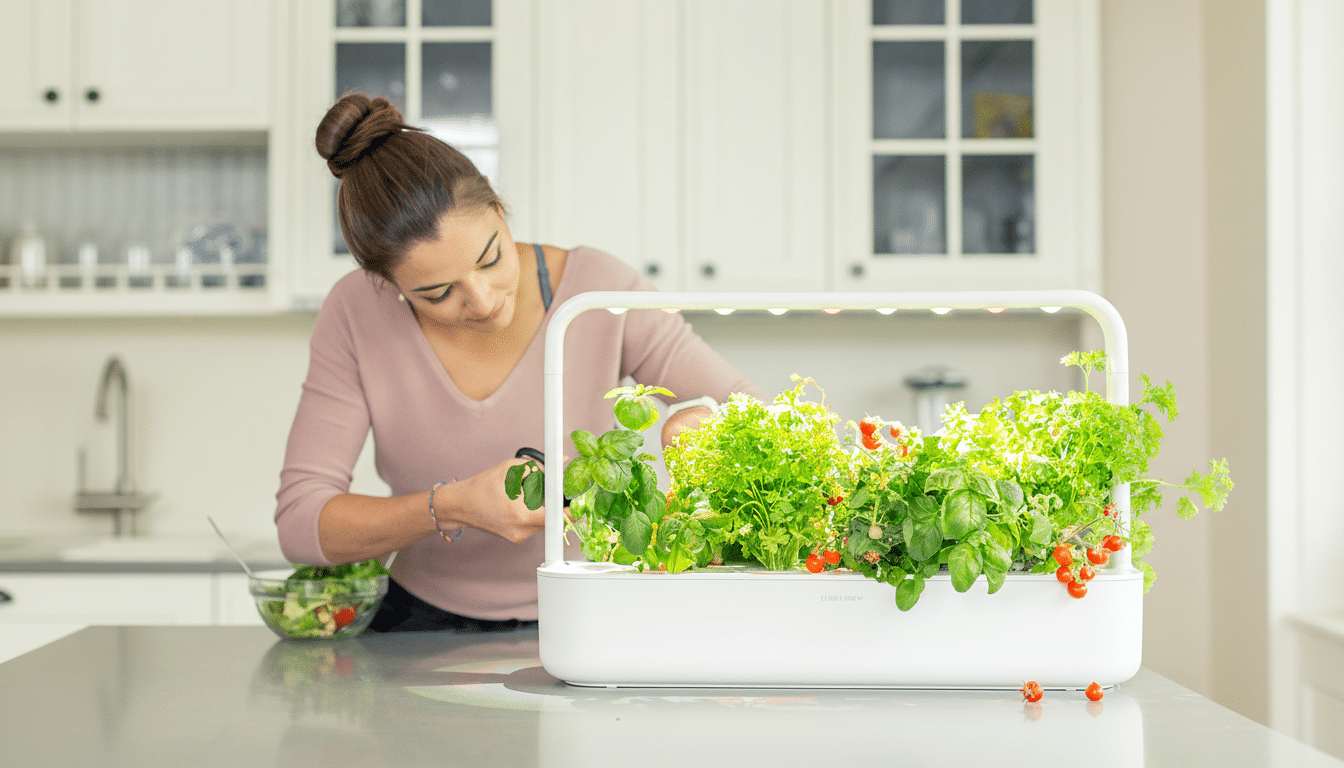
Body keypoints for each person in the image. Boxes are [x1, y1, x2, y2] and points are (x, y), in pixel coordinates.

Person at [274, 93, 766, 633]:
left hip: (593, 611)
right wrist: (451, 505)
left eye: (492, 258)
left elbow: (756, 414)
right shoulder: (354, 312)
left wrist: (703, 424)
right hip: (418, 624)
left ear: (502, 213)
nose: (484, 301)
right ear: (386, 284)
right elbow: (301, 523)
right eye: (437, 293)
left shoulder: (601, 291)